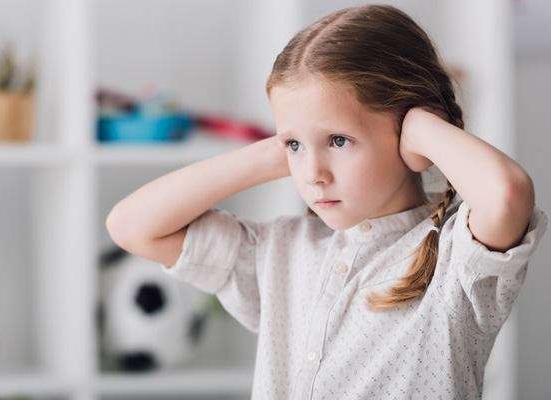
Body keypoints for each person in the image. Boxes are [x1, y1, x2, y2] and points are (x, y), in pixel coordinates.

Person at [106, 4, 547, 399]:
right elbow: (131, 226)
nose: (313, 173)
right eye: (294, 144)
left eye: (338, 140)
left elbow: (507, 194)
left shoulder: (455, 257)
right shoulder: (278, 252)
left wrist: (422, 128)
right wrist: (269, 155)